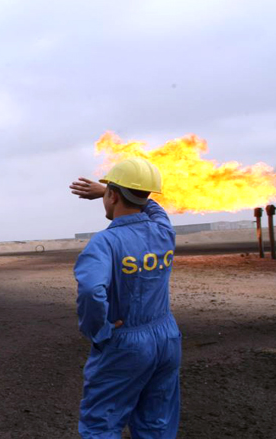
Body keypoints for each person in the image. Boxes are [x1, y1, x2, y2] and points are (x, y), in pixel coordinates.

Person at [69, 157, 181, 439]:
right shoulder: (164, 230)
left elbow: (92, 291)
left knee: (102, 424)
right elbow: (152, 207)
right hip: (166, 337)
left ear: (114, 195)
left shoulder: (104, 242)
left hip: (126, 342)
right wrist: (108, 191)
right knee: (156, 421)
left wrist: (99, 331)